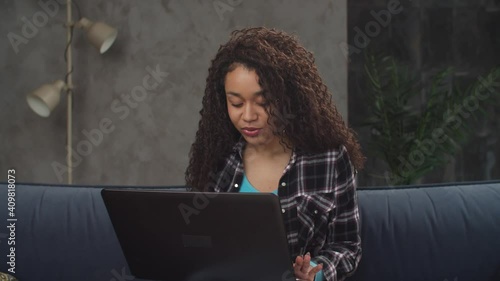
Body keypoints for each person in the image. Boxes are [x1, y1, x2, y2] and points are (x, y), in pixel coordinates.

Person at [185, 26, 365, 281]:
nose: (248, 116)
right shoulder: (218, 159)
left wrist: (315, 272)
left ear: (289, 99)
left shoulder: (330, 159)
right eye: (236, 103)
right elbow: (200, 242)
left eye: (263, 102)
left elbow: (347, 246)